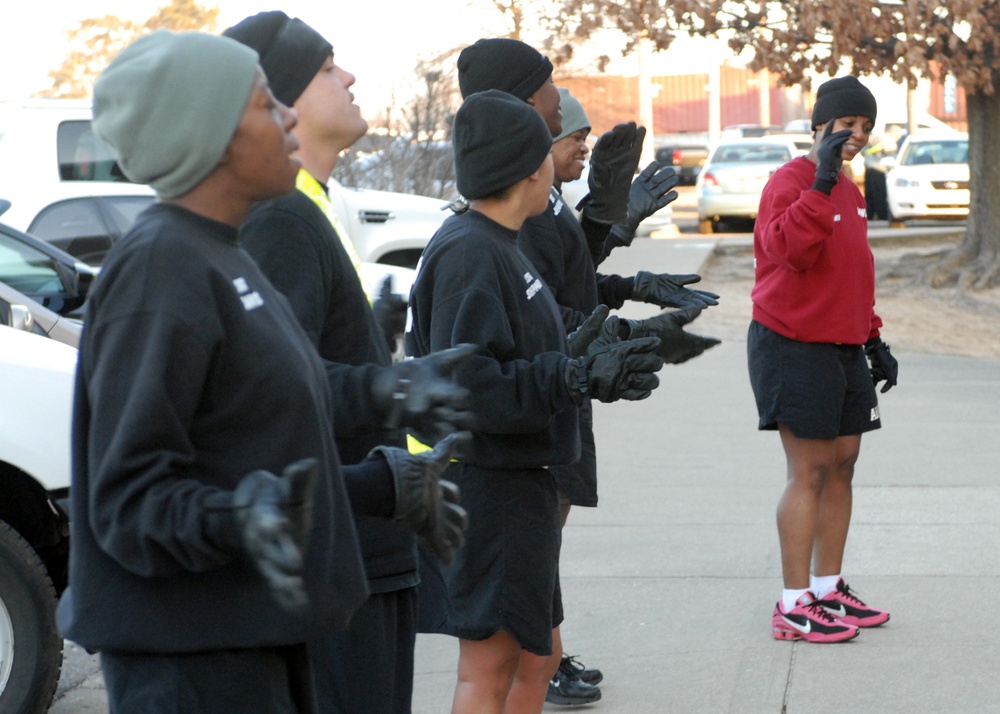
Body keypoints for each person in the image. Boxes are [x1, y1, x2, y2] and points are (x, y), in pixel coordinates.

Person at [56, 29, 465, 713]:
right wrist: (235, 518)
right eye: (264, 104)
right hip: (190, 658)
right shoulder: (161, 266)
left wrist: (382, 389)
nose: (288, 118)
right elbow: (124, 497)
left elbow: (274, 394)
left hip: (255, 635)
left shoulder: (223, 252)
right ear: (208, 134)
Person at [456, 41, 720, 705]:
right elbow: (504, 356)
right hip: (511, 462)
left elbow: (561, 289)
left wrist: (627, 271)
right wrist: (594, 355)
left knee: (530, 629)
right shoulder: (478, 242)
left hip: (540, 437)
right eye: (567, 125)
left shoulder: (524, 218)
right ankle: (547, 655)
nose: (578, 147)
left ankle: (549, 655)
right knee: (495, 660)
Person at [222, 11, 471, 713]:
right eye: (330, 66)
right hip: (341, 543)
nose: (351, 76)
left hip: (366, 531)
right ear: (283, 97)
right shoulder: (280, 216)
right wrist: (393, 393)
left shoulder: (313, 204)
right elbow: (276, 398)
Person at [406, 88, 666, 714]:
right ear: (529, 167)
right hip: (485, 486)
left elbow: (524, 346)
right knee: (488, 666)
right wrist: (569, 379)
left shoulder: (502, 241)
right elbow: (470, 387)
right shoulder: (470, 251)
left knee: (536, 655)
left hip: (519, 482)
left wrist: (585, 356)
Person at [748, 75, 898, 644]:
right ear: (818, 126)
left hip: (842, 344)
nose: (857, 135)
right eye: (846, 125)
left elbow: (851, 271)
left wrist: (873, 338)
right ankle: (793, 604)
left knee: (843, 464)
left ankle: (829, 588)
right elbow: (784, 249)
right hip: (791, 341)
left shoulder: (851, 188)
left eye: (866, 127)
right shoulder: (789, 181)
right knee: (808, 469)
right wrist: (820, 182)